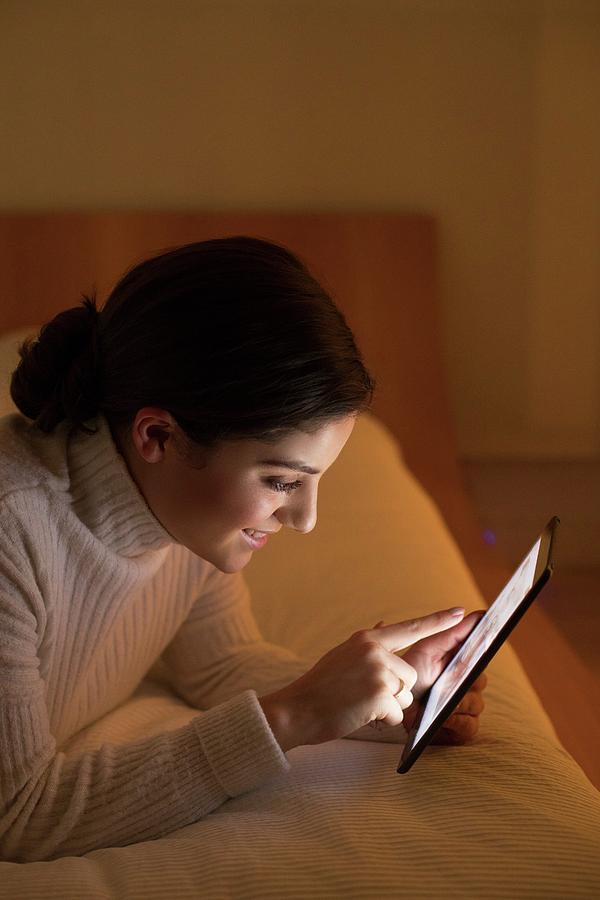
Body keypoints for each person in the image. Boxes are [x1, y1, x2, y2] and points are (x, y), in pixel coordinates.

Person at [0, 236, 485, 862]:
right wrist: (293, 717)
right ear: (157, 435)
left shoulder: (180, 515)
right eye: (281, 481)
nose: (305, 520)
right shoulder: (14, 534)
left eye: (315, 480)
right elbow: (18, 816)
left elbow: (219, 664)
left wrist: (390, 701)